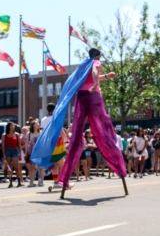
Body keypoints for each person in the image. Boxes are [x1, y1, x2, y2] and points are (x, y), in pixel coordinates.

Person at [34, 48, 126, 193]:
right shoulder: (95, 62)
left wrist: (105, 77)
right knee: (103, 130)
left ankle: (64, 179)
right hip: (93, 96)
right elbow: (95, 72)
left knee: (76, 135)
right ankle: (119, 167)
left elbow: (90, 76)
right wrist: (96, 84)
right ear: (97, 56)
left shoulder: (83, 65)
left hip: (81, 98)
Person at [2, 122, 24, 188]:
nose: (12, 127)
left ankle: (19, 181)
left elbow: (19, 145)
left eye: (13, 126)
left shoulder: (17, 134)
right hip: (7, 150)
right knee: (9, 168)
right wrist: (4, 154)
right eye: (11, 126)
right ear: (8, 127)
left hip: (15, 150)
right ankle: (10, 182)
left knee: (16, 166)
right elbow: (3, 145)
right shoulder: (4, 135)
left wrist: (20, 154)